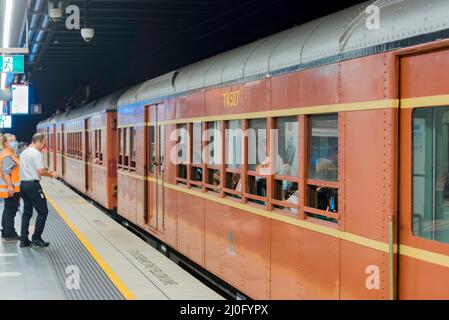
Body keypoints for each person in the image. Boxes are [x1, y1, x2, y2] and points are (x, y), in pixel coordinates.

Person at [19, 133, 58, 248]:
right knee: (43, 211)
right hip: (33, 185)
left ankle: (24, 239)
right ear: (38, 142)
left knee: (27, 212)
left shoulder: (24, 152)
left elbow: (33, 168)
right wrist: (52, 175)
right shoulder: (35, 153)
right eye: (43, 144)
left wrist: (47, 171)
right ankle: (36, 238)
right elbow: (40, 171)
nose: (43, 147)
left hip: (23, 185)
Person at [0, 134, 21, 241]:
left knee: (8, 209)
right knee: (11, 210)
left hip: (12, 187)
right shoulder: (7, 155)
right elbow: (6, 173)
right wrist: (9, 186)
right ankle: (9, 233)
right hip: (11, 187)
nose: (14, 142)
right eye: (11, 141)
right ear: (5, 143)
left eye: (15, 140)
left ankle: (5, 231)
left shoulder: (11, 153)